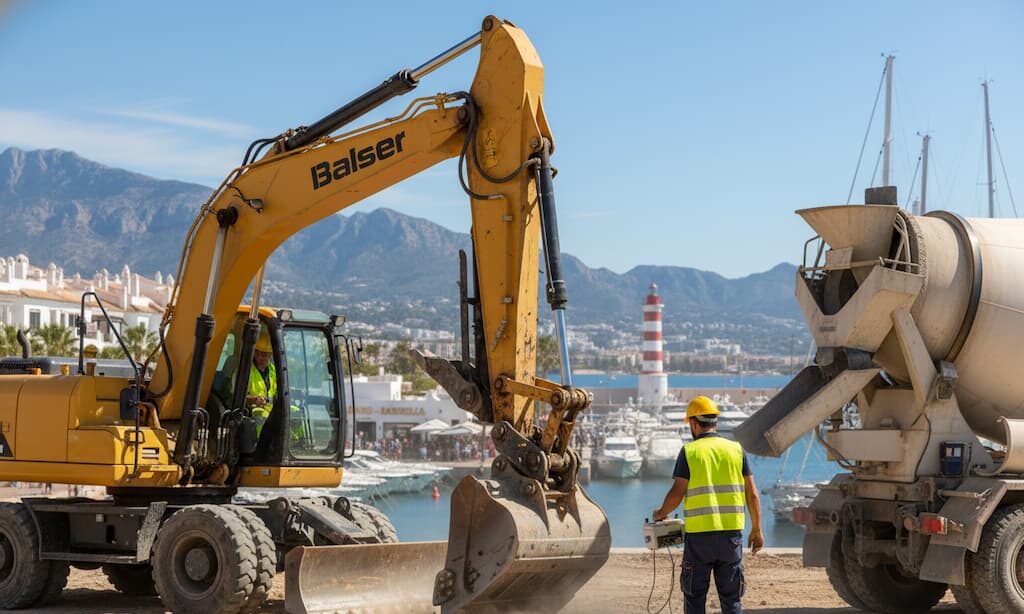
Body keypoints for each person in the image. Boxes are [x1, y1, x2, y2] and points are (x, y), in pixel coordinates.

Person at [652, 395, 764, 614]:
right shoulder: (736, 450)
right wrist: (757, 529)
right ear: (715, 422)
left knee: (694, 599)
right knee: (731, 600)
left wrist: (660, 513)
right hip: (731, 538)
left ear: (694, 423)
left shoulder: (690, 452)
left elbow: (677, 492)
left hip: (699, 540)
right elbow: (752, 494)